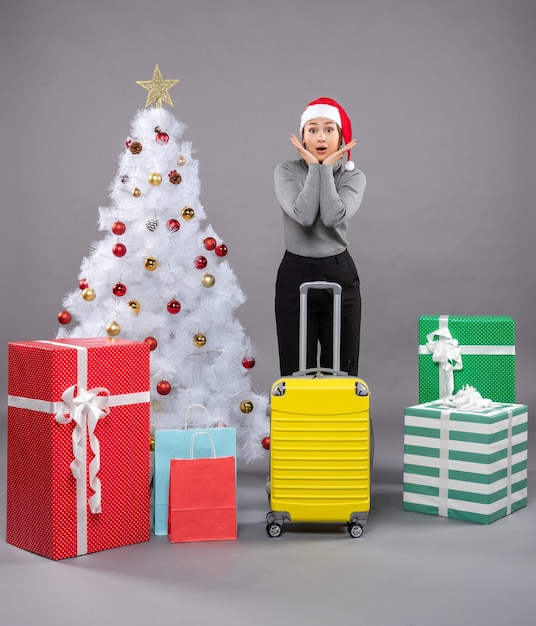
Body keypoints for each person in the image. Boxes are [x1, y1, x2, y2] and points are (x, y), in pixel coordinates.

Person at [274, 97, 366, 376]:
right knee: (294, 363)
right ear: (302, 136)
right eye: (312, 129)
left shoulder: (354, 177)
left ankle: (337, 418)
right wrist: (316, 168)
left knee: (341, 363)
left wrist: (324, 169)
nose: (320, 137)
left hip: (339, 271)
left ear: (341, 137)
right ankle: (299, 417)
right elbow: (303, 215)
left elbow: (331, 216)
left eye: (329, 129)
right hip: (295, 272)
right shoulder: (286, 171)